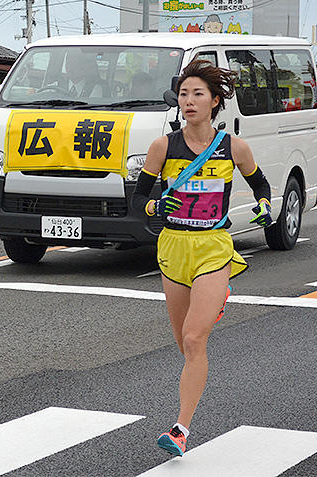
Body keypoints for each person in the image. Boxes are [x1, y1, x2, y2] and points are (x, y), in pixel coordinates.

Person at [130, 59, 273, 457]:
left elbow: (261, 186)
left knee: (195, 338)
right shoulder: (163, 147)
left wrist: (263, 205)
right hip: (173, 248)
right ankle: (211, 306)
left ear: (214, 101)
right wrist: (155, 207)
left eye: (197, 94)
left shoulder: (234, 147)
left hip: (213, 247)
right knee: (184, 344)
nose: (189, 101)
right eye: (183, 94)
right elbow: (139, 198)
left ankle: (179, 430)